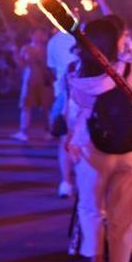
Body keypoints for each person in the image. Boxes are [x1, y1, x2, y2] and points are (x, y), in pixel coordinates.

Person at [66, 18, 132, 262]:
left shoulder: (77, 75)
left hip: (90, 150)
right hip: (131, 150)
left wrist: (71, 140)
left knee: (91, 208)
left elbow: (71, 116)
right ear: (115, 42)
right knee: (124, 217)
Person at [47, 28, 77, 197]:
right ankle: (69, 182)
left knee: (66, 141)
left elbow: (52, 69)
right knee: (72, 142)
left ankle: (66, 182)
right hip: (71, 97)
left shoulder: (52, 42)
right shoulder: (83, 37)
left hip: (64, 95)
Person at [11, 28, 54, 142]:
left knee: (45, 107)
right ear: (31, 35)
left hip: (42, 81)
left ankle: (48, 131)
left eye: (40, 34)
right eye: (36, 34)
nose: (38, 36)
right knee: (26, 106)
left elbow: (50, 64)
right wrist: (15, 53)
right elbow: (21, 64)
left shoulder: (47, 48)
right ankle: (24, 131)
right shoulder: (26, 48)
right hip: (30, 80)